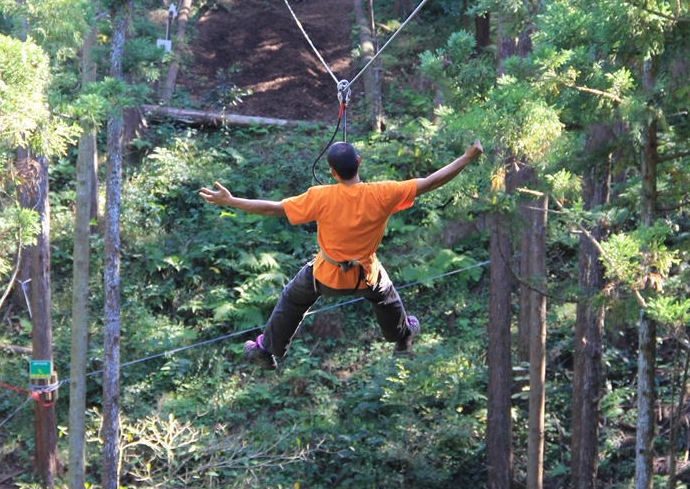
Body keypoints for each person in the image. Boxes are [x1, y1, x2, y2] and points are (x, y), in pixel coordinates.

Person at [199, 138, 483, 368]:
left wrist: (232, 200)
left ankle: (266, 349)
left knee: (292, 298)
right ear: (359, 163)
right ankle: (403, 337)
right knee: (386, 295)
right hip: (365, 277)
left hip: (327, 278)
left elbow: (274, 208)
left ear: (332, 172)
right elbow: (431, 181)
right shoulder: (384, 193)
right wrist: (467, 158)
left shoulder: (320, 196)